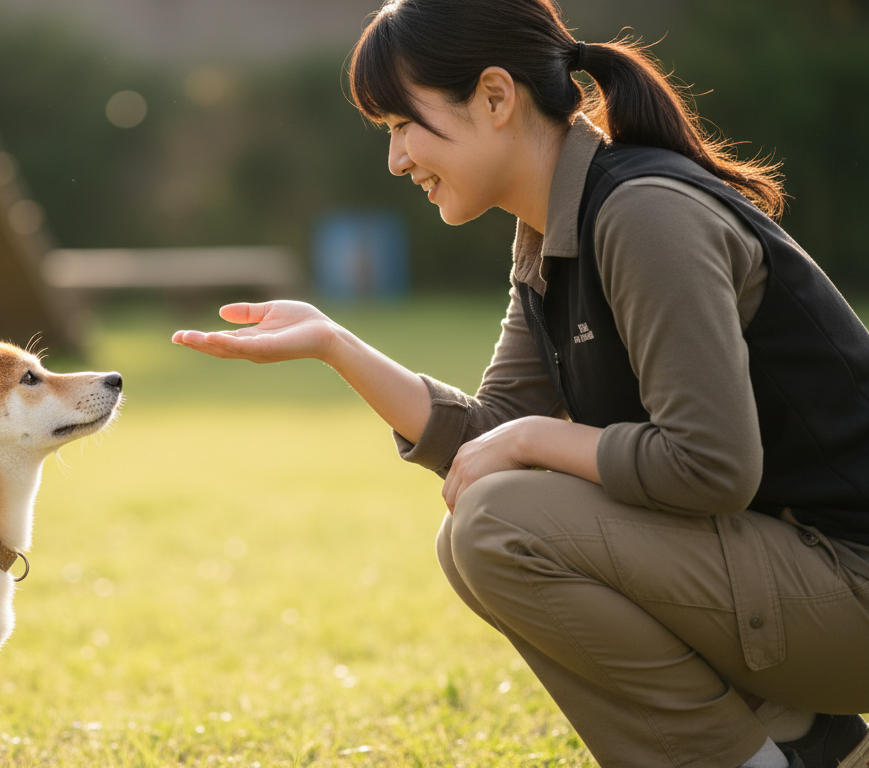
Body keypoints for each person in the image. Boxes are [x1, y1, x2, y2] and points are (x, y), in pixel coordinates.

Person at [171, 1, 869, 766]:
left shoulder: (644, 214)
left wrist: (537, 437)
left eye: (404, 123)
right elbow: (488, 430)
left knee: (498, 521)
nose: (397, 159)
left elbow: (711, 466)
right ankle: (799, 738)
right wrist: (335, 346)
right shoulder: (550, 228)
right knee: (481, 527)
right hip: (803, 573)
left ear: (497, 98)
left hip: (848, 575)